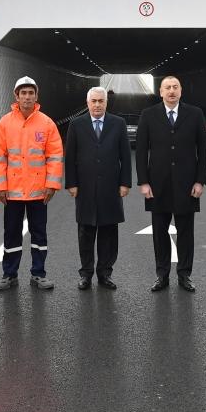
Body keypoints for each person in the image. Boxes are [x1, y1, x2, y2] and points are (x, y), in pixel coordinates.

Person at [135, 75, 206, 293]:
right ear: (160, 92)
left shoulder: (195, 114)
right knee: (160, 232)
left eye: (175, 87)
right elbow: (140, 151)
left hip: (187, 184)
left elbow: (203, 150)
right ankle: (162, 275)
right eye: (167, 87)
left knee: (186, 231)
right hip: (158, 185)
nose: (171, 91)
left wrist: (200, 180)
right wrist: (143, 182)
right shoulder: (149, 115)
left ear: (181, 90)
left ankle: (185, 275)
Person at [0, 76, 64, 291]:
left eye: (30, 93)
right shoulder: (5, 122)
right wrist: (1, 186)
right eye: (23, 93)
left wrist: (51, 184)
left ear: (36, 96)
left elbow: (55, 155)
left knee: (39, 234)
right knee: (11, 234)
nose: (27, 97)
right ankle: (9, 274)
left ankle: (38, 273)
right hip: (13, 191)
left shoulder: (46, 123)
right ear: (16, 96)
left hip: (38, 190)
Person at [65, 87, 132, 290]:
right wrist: (72, 183)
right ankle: (86, 274)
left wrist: (125, 183)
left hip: (111, 187)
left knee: (108, 233)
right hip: (84, 187)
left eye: (100, 101)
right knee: (86, 231)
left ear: (106, 103)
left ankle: (105, 273)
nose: (97, 105)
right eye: (93, 101)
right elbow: (70, 156)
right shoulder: (76, 125)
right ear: (87, 103)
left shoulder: (118, 124)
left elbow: (125, 156)